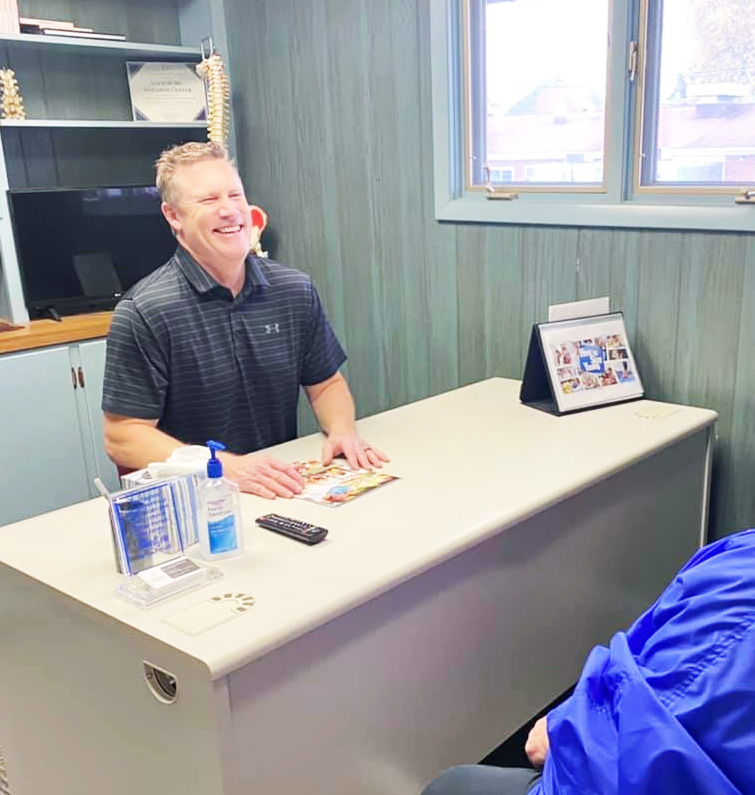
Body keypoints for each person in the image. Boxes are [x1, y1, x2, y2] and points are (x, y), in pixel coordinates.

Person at [103, 141, 388, 499]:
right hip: (199, 499)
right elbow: (122, 436)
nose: (229, 210)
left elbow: (326, 383)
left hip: (279, 486)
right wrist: (225, 466)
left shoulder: (293, 289)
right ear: (174, 216)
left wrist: (342, 429)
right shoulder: (145, 311)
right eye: (208, 200)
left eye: (235, 195)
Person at [420, 528, 755, 795]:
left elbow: (637, 755)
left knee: (449, 785)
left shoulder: (736, 580)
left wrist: (563, 733)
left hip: (611, 771)